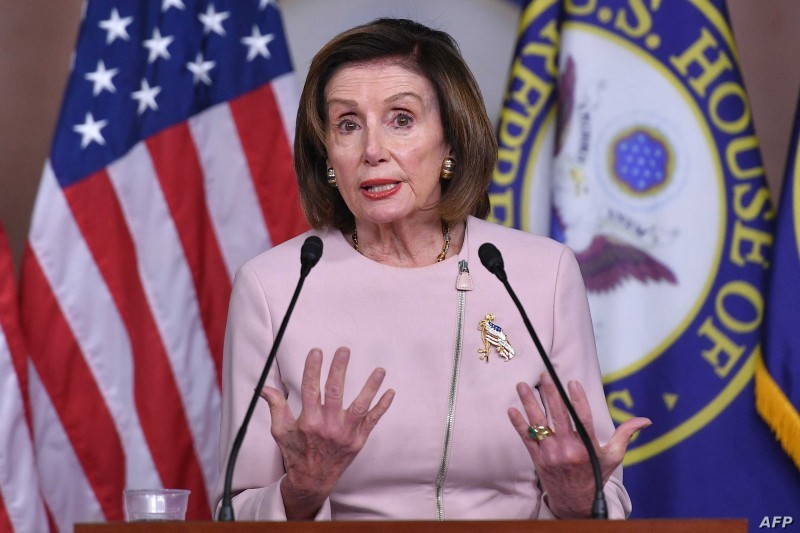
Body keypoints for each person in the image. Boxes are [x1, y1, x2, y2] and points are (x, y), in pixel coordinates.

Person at [214, 17, 650, 521]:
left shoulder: (539, 274)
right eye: (348, 125)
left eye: (401, 119)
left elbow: (601, 493)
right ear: (327, 157)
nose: (373, 151)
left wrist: (579, 498)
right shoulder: (275, 286)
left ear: (450, 142)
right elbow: (233, 511)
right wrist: (303, 490)